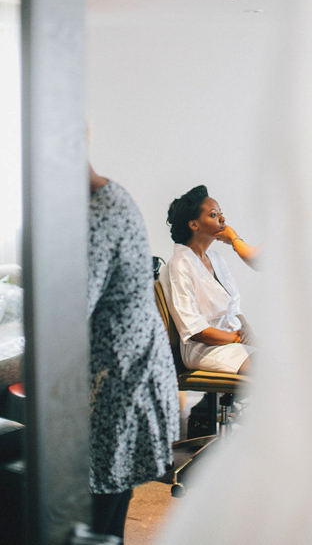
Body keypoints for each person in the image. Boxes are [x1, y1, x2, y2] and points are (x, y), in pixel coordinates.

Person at [87, 164, 179, 540]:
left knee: (100, 503)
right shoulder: (111, 198)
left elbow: (67, 311)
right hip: (129, 371)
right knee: (109, 498)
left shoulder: (97, 215)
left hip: (121, 375)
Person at [163, 186, 257, 375]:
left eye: (221, 214)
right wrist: (237, 338)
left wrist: (246, 328)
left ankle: (210, 404)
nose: (222, 219)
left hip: (233, 340)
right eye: (214, 215)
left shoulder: (215, 258)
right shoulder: (180, 264)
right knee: (271, 371)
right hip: (204, 348)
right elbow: (195, 330)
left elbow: (234, 308)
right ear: (194, 225)